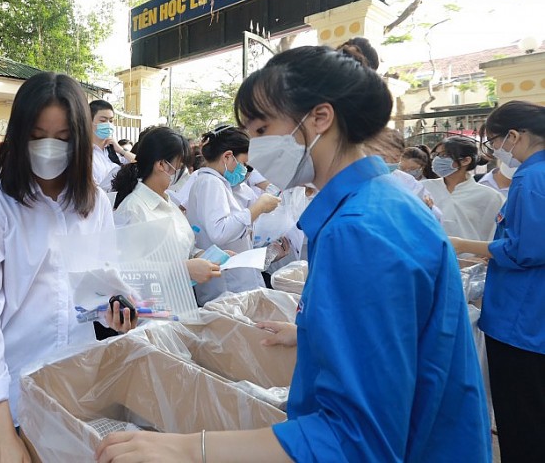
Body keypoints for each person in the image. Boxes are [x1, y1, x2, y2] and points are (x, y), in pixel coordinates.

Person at [97, 46, 490, 462]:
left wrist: (189, 448)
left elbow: (355, 439)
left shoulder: (358, 230)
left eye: (263, 129)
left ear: (320, 118)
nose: (257, 147)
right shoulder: (380, 202)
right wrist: (316, 334)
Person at [0, 73, 133, 462]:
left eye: (64, 138)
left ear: (80, 140)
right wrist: (1, 429)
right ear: (19, 137)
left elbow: (97, 286)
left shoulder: (94, 204)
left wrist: (114, 311)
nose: (50, 148)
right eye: (38, 135)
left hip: (77, 388)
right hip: (8, 396)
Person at [448, 100, 545, 462]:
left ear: (514, 137)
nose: (497, 152)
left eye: (495, 142)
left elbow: (528, 249)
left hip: (523, 322)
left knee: (522, 420)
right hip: (531, 315)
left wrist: (465, 245)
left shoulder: (532, 178)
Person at [183, 125, 280, 306]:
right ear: (227, 156)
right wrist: (258, 208)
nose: (244, 170)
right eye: (243, 163)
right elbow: (220, 232)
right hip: (226, 289)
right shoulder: (210, 182)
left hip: (233, 283)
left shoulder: (218, 183)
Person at [113, 126, 220, 286]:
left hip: (180, 297)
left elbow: (184, 249)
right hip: (151, 304)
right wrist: (183, 269)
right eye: (180, 164)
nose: (184, 171)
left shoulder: (168, 202)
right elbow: (127, 269)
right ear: (162, 165)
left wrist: (208, 257)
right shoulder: (133, 209)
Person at [422, 136, 504, 242]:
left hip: (472, 257)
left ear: (466, 160)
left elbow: (495, 235)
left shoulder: (490, 197)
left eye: (444, 155)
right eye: (435, 155)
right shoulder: (424, 188)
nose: (437, 160)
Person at [90, 99, 136, 191]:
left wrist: (121, 150)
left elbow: (140, 163)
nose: (108, 124)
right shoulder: (82, 153)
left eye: (111, 121)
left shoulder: (114, 152)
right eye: (103, 120)